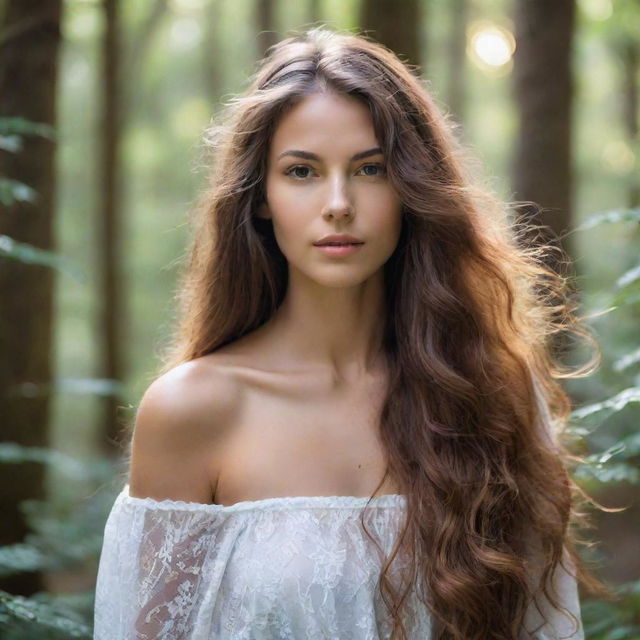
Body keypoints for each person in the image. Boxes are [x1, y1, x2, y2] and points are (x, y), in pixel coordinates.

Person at [93, 25, 609, 640]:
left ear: (412, 188)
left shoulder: (491, 391)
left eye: (370, 169)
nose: (338, 202)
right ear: (260, 198)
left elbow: (546, 625)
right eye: (302, 171)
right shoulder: (192, 410)